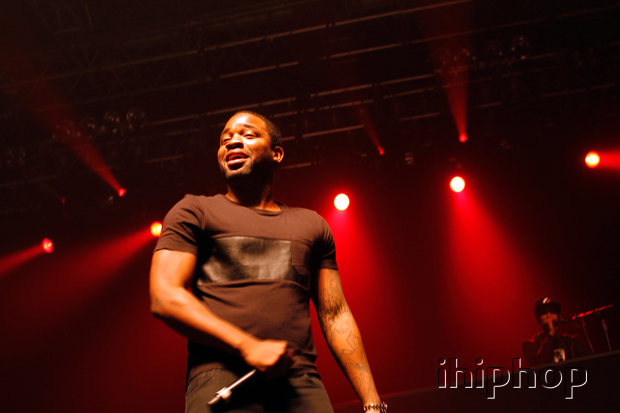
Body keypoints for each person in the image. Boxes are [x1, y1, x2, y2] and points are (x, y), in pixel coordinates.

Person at [149, 111, 386, 412]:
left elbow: (335, 313)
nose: (233, 141)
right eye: (225, 139)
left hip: (301, 383)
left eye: (248, 134)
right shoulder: (194, 212)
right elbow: (165, 297)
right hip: (221, 379)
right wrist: (248, 346)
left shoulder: (312, 225)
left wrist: (372, 404)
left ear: (277, 154)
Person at [521, 296, 590, 367]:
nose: (549, 315)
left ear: (558, 316)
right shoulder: (530, 345)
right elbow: (538, 366)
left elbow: (589, 366)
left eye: (552, 311)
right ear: (537, 319)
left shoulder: (573, 342)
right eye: (544, 312)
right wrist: (551, 333)